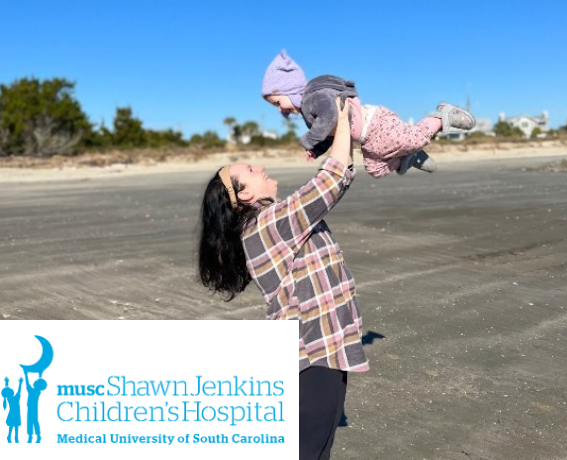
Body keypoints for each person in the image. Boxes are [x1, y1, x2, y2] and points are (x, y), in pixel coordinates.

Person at [199, 98, 367, 459]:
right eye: (251, 170)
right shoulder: (267, 223)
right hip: (312, 355)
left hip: (315, 351)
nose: (261, 166)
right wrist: (340, 119)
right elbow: (334, 177)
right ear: (243, 195)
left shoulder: (267, 223)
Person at [262, 50, 476, 178]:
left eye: (277, 102)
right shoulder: (309, 114)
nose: (280, 109)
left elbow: (330, 116)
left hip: (374, 124)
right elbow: (332, 133)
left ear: (288, 90)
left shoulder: (312, 99)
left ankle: (440, 116)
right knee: (376, 169)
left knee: (413, 137)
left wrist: (309, 141)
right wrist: (318, 148)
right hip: (366, 139)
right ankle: (407, 158)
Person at [22, 368, 47, 443]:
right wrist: (40, 374)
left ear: (37, 385)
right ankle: (36, 436)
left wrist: (26, 375)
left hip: (31, 409)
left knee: (31, 422)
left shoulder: (33, 391)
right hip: (33, 409)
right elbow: (37, 383)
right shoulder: (37, 391)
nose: (34, 381)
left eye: (35, 381)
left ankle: (33, 437)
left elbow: (27, 384)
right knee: (34, 422)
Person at [1, 377, 22, 443]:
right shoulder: (16, 397)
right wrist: (20, 383)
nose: (13, 390)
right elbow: (18, 390)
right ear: (12, 392)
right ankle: (15, 437)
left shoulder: (9, 398)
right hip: (16, 413)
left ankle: (10, 436)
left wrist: (6, 383)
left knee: (12, 426)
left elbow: (6, 391)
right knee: (15, 426)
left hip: (12, 413)